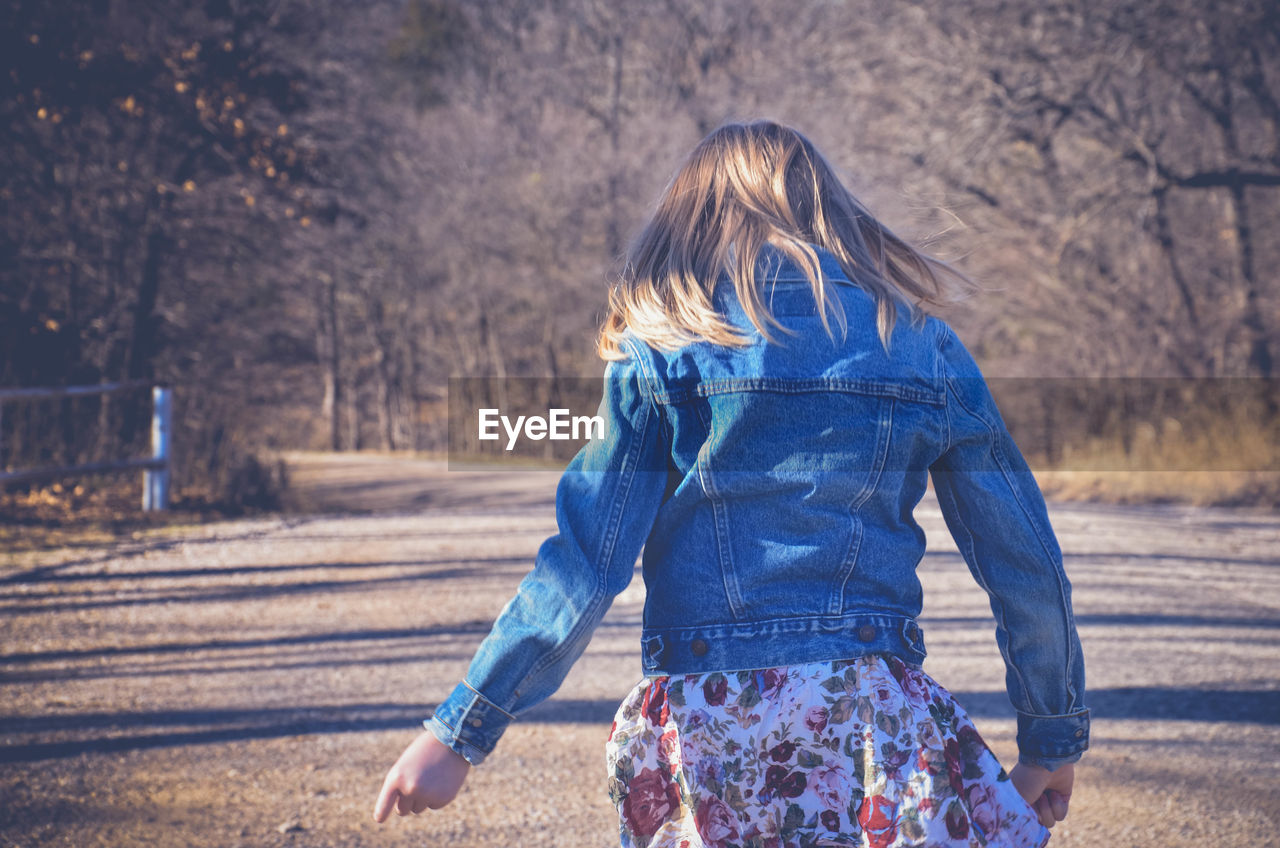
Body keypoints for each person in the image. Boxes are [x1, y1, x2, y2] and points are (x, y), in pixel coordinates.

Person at [373, 120, 1089, 847]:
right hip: (870, 726)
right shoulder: (915, 338)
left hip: (707, 731)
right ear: (826, 210)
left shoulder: (661, 346)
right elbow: (1023, 561)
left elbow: (584, 564)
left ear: (690, 219)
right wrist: (1050, 739)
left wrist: (462, 731)